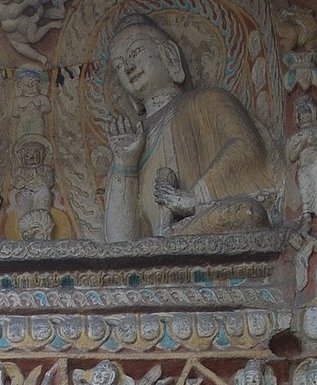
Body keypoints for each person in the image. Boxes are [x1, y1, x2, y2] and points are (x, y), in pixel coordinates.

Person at [103, 16, 275, 240]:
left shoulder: (209, 100)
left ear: (170, 55)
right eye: (119, 65)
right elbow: (119, 242)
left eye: (136, 52)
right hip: (156, 248)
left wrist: (194, 199)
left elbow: (247, 148)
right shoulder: (131, 140)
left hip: (204, 222)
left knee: (247, 213)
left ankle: (170, 239)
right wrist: (125, 161)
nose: (128, 67)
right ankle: (167, 240)